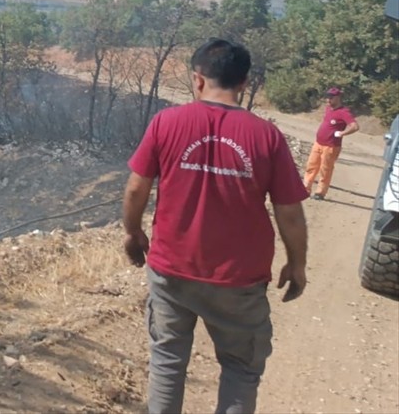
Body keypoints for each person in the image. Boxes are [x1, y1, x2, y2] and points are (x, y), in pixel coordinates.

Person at [122, 38, 308, 414]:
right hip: (239, 278)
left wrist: (133, 232)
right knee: (240, 368)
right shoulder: (266, 135)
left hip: (172, 269)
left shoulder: (166, 123)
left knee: (168, 362)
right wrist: (297, 263)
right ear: (244, 83)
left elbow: (136, 188)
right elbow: (289, 211)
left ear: (198, 79)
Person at [303, 87, 358, 200]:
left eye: (331, 98)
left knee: (325, 169)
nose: (328, 100)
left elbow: (355, 126)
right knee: (311, 166)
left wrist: (342, 133)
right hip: (318, 143)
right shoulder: (328, 109)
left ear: (338, 97)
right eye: (327, 97)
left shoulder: (344, 112)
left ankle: (320, 192)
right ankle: (305, 189)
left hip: (331, 146)